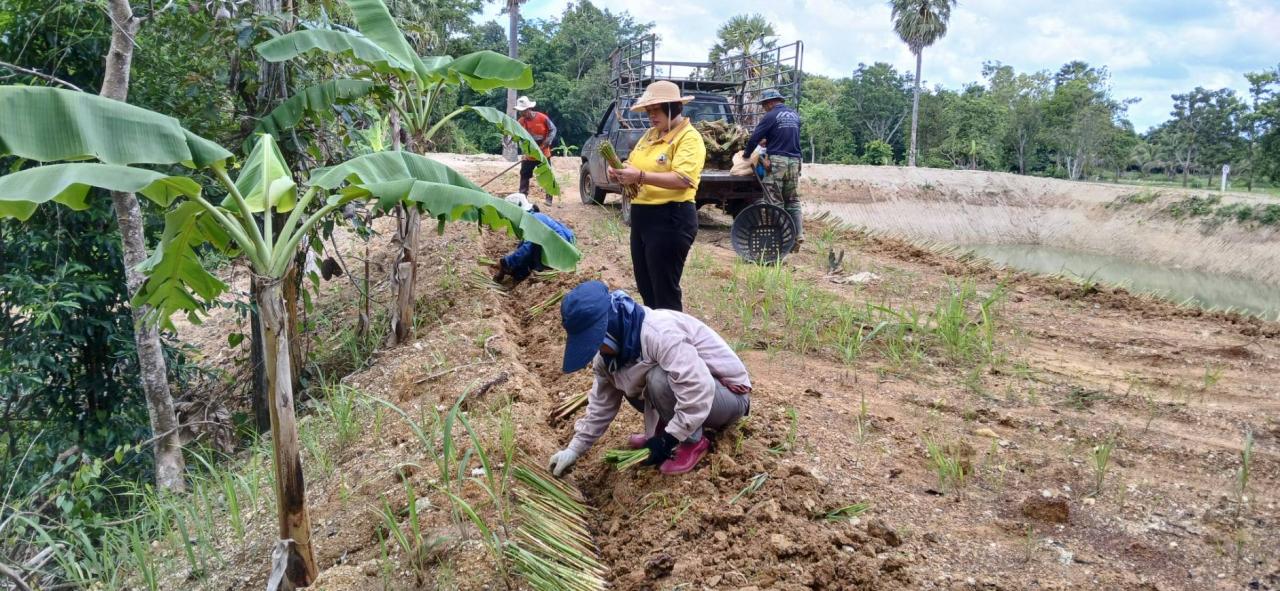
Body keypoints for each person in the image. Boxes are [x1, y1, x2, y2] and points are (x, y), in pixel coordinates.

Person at [547, 280, 752, 476]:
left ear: (609, 330)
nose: (596, 350)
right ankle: (666, 427)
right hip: (697, 393)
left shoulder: (658, 333)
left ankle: (692, 441)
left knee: (658, 379)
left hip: (728, 395)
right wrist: (574, 449)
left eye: (596, 342)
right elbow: (601, 405)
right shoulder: (609, 358)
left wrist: (669, 439)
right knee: (628, 378)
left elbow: (699, 386)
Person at [606, 80, 706, 312]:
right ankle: (655, 338)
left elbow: (683, 180)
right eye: (649, 111)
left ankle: (672, 342)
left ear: (673, 107)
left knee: (664, 292)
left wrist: (639, 176)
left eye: (656, 110)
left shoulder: (689, 138)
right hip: (642, 217)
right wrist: (619, 173)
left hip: (671, 218)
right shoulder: (650, 136)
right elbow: (632, 164)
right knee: (647, 287)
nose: (651, 116)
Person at [744, 88, 804, 247]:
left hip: (777, 162)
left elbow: (754, 138)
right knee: (792, 200)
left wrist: (746, 155)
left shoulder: (770, 116)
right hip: (795, 161)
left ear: (770, 103)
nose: (764, 108)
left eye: (764, 105)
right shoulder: (794, 116)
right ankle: (798, 234)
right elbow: (789, 138)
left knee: (774, 201)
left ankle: (785, 239)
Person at [492, 193, 575, 285]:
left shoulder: (532, 220)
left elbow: (526, 249)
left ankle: (524, 274)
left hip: (560, 254)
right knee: (523, 252)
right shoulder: (534, 216)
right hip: (560, 249)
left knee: (527, 252)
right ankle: (518, 274)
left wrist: (505, 262)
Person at [514, 96, 557, 205]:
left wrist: (546, 143)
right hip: (529, 153)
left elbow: (553, 130)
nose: (521, 113)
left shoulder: (542, 118)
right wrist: (524, 152)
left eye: (523, 111)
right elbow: (519, 138)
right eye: (520, 111)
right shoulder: (520, 122)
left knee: (547, 175)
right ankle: (523, 197)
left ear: (529, 109)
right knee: (524, 174)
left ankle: (549, 198)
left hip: (543, 152)